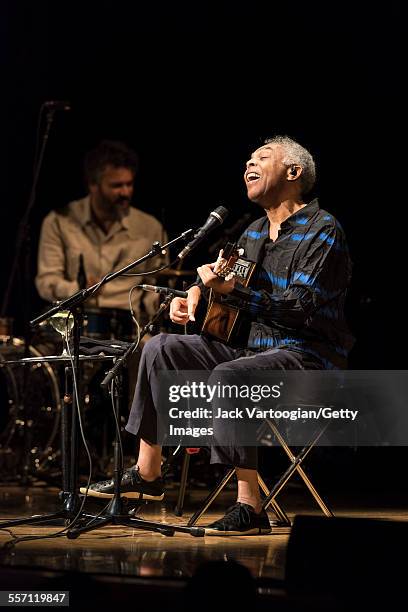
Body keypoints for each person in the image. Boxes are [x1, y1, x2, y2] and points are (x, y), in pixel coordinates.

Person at [82, 135, 354, 535]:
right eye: (247, 158)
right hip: (251, 352)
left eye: (262, 157)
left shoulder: (323, 229)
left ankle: (250, 508)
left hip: (308, 359)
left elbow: (299, 307)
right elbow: (226, 302)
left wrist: (233, 293)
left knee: (232, 374)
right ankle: (149, 473)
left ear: (293, 172)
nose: (249, 163)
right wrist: (195, 297)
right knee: (160, 347)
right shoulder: (252, 233)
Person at [35, 139, 168, 326]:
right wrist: (79, 289)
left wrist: (162, 306)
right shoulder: (59, 221)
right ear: (93, 185)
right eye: (116, 186)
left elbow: (155, 284)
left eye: (129, 184)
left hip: (129, 327)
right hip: (75, 323)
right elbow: (46, 281)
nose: (125, 192)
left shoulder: (150, 227)